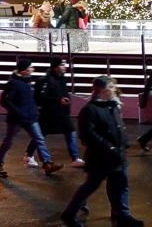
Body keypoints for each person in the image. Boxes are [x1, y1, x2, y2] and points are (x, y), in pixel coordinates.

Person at [61, 76, 144, 227]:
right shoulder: (90, 110)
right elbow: (88, 134)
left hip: (117, 155)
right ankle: (69, 214)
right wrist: (110, 147)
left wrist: (124, 142)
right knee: (90, 186)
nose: (115, 90)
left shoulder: (112, 105)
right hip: (100, 158)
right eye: (111, 87)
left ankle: (123, 215)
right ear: (103, 91)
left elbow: (119, 126)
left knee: (120, 185)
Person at [0, 58, 63, 177]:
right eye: (30, 67)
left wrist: (34, 108)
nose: (32, 69)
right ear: (24, 70)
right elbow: (5, 101)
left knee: (39, 139)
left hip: (30, 118)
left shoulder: (27, 82)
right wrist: (19, 112)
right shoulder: (13, 83)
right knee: (8, 142)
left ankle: (47, 163)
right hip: (17, 119)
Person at [30, 57, 83, 168]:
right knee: (41, 135)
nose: (65, 67)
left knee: (70, 131)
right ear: (55, 67)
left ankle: (75, 158)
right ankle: (29, 155)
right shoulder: (47, 80)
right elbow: (41, 98)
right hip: (49, 113)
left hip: (62, 113)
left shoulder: (62, 78)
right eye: (62, 64)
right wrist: (58, 100)